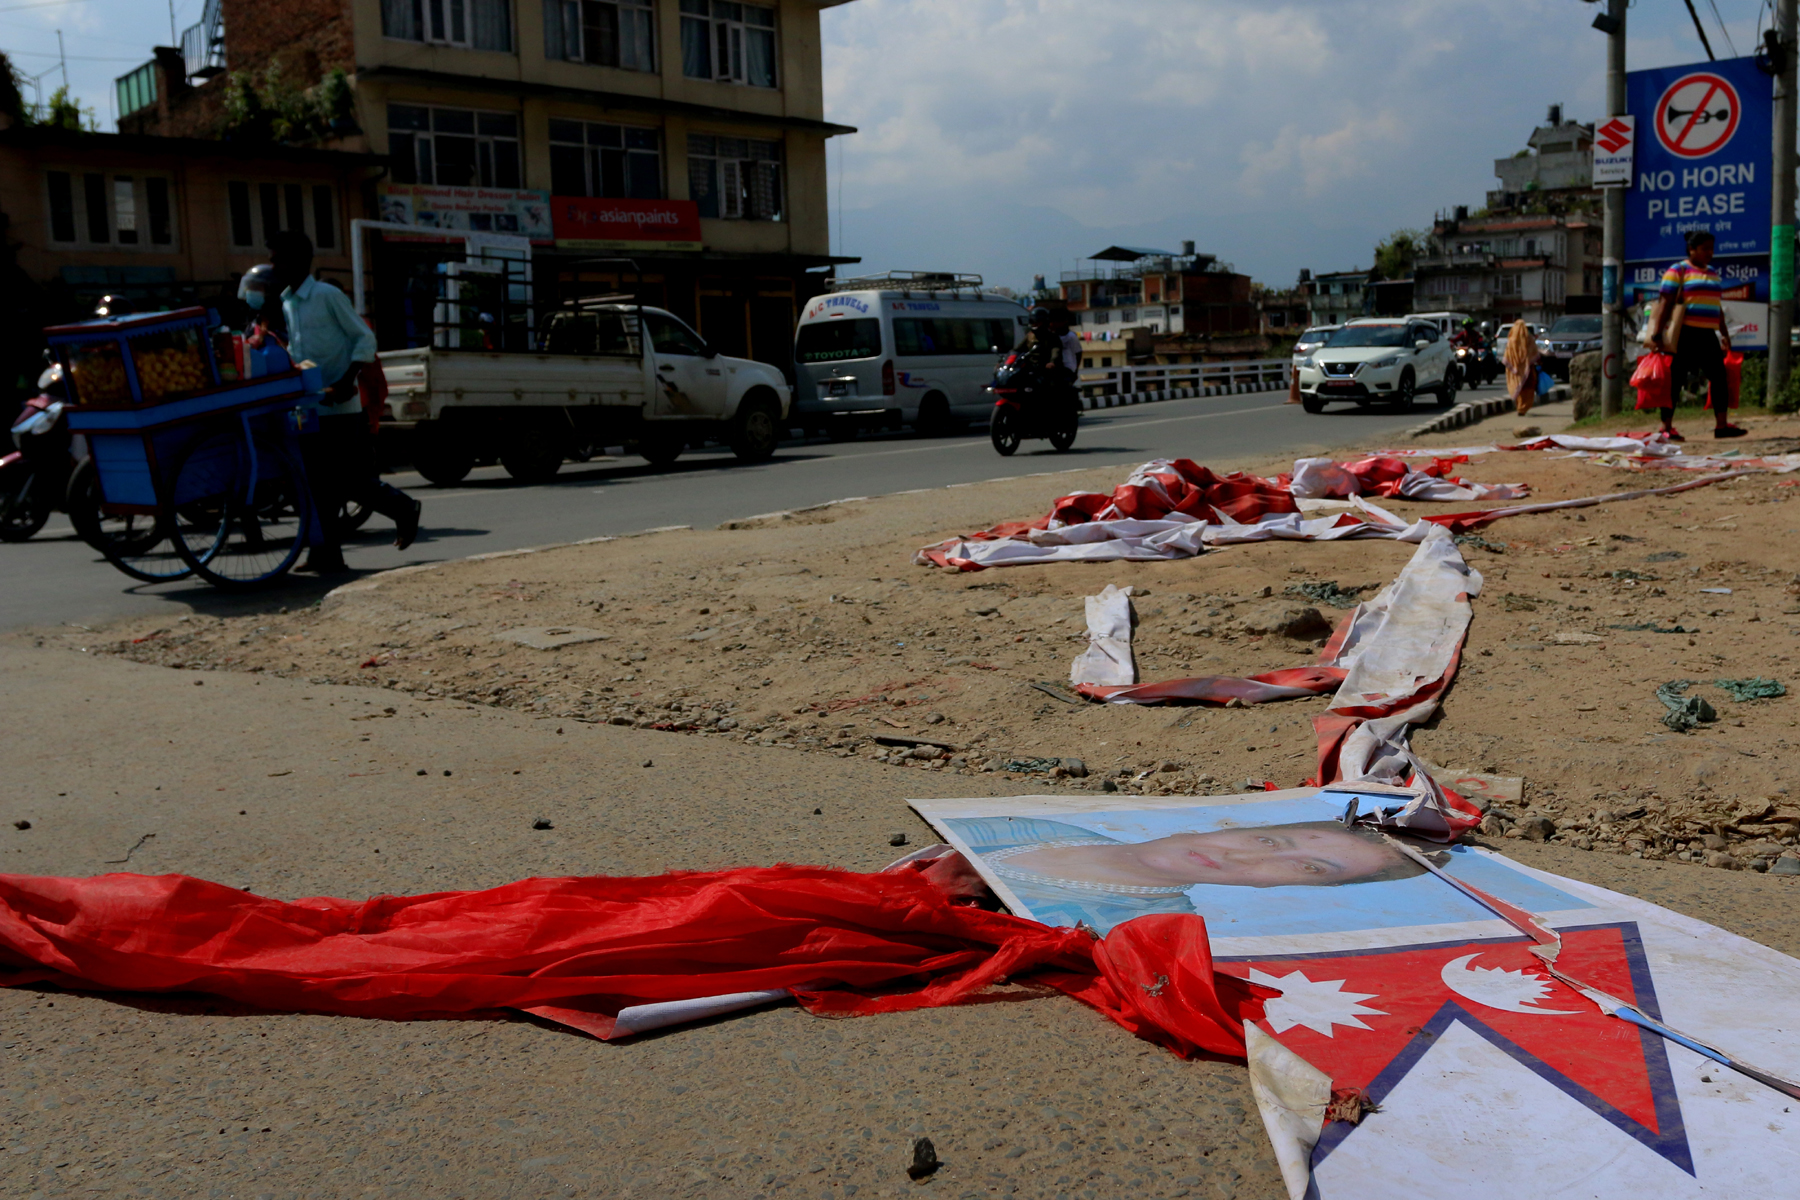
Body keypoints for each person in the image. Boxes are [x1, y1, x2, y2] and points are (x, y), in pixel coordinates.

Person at [944, 815, 1424, 932]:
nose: (1240, 858)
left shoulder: (1145, 928)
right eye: (1267, 841)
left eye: (1308, 867)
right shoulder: (1035, 827)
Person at [267, 230, 422, 573]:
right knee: (316, 483)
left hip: (341, 407)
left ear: (299, 261)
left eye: (278, 260)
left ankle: (403, 508)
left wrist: (345, 380)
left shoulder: (327, 296)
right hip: (310, 405)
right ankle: (326, 554)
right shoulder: (287, 301)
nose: (273, 266)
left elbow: (364, 339)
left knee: (345, 480)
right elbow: (299, 350)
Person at [1650, 229, 1745, 440]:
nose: (1710, 253)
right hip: (1683, 334)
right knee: (1675, 380)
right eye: (1705, 249)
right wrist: (1657, 334)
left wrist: (1724, 333)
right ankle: (1666, 427)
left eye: (1711, 248)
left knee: (1719, 377)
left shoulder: (1712, 273)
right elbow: (1665, 303)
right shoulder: (1678, 270)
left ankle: (1722, 426)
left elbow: (1716, 306)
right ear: (1692, 249)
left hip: (1707, 334)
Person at [1502, 319, 1539, 418]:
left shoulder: (1511, 340)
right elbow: (1534, 352)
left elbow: (1507, 356)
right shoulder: (1529, 339)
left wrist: (1513, 366)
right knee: (1528, 388)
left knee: (1517, 388)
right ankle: (1523, 407)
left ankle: (1520, 407)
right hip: (1528, 369)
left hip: (1515, 371)